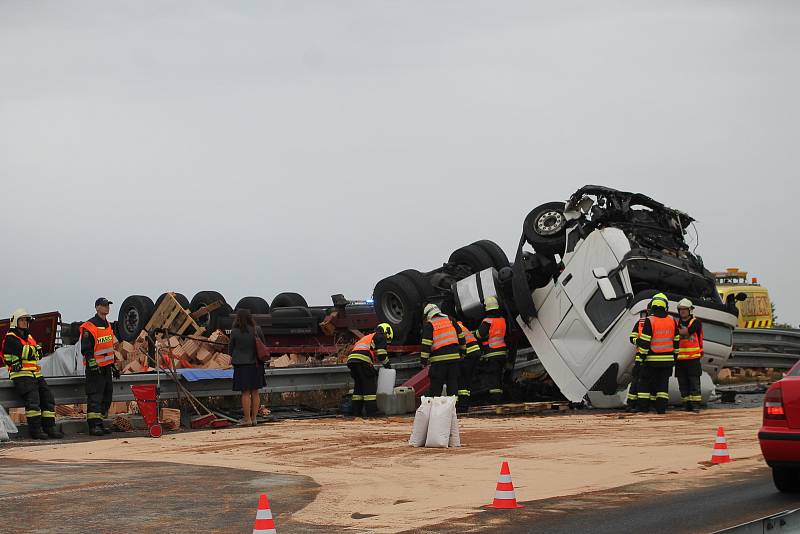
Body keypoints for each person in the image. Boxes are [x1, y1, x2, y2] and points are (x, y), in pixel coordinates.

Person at [2, 309, 63, 439]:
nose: (25, 322)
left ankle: (50, 428)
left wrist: (33, 351)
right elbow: (28, 352)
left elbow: (39, 354)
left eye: (26, 320)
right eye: (22, 320)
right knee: (33, 402)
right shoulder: (10, 338)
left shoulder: (28, 336)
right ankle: (36, 431)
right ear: (15, 322)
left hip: (35, 373)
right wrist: (34, 350)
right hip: (21, 375)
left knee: (48, 399)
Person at [81, 297, 120, 436]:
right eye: (104, 305)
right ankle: (93, 426)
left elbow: (109, 347)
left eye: (108, 305)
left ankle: (100, 423)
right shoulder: (89, 326)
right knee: (95, 397)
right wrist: (92, 363)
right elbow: (86, 348)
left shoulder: (108, 325)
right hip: (95, 369)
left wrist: (114, 365)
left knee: (106, 396)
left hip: (106, 368)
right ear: (97, 307)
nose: (107, 308)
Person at [636, 293, 679, 414]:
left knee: (645, 383)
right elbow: (676, 342)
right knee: (662, 386)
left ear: (652, 305)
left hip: (651, 360)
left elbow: (644, 343)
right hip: (667, 361)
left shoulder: (650, 320)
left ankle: (643, 408)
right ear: (665, 306)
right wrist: (674, 358)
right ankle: (661, 408)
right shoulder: (672, 320)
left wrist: (640, 360)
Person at [228, 308, 266, 426]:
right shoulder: (257, 330)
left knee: (245, 393)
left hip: (241, 366)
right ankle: (254, 419)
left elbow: (230, 349)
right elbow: (263, 344)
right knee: (255, 392)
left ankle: (247, 419)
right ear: (250, 318)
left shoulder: (234, 332)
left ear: (238, 319)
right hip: (256, 365)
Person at [346, 323, 393, 417]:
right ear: (387, 333)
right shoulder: (380, 336)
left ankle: (356, 412)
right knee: (369, 385)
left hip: (352, 361)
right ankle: (372, 411)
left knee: (359, 387)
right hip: (363, 360)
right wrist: (388, 365)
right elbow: (382, 354)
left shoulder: (368, 337)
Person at [420, 304, 463, 398]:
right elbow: (461, 336)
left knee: (436, 388)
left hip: (439, 362)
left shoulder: (430, 324)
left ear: (428, 314)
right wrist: (463, 352)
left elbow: (426, 344)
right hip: (454, 359)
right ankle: (452, 408)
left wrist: (423, 361)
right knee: (453, 385)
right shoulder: (450, 320)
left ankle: (436, 409)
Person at [475, 296, 508, 403]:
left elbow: (480, 334)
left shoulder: (487, 321)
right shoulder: (502, 320)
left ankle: (495, 399)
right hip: (502, 353)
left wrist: (474, 333)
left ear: (486, 308)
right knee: (498, 375)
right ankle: (500, 396)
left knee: (493, 377)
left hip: (492, 353)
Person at [676, 298, 704, 412]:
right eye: (680, 309)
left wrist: (675, 331)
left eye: (684, 309)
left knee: (694, 382)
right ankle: (686, 404)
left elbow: (686, 332)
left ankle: (696, 404)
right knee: (682, 383)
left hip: (693, 358)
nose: (682, 311)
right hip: (680, 359)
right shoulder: (677, 323)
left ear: (690, 310)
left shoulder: (695, 322)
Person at [455, 319, 481, 412]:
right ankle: (465, 404)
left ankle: (462, 406)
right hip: (475, 352)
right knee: (468, 380)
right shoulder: (460, 326)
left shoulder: (452, 328)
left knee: (462, 379)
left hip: (469, 353)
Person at [626, 309, 648, 412]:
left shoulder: (653, 322)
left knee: (644, 381)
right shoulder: (640, 323)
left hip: (650, 357)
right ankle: (631, 403)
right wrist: (638, 341)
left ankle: (641, 404)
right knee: (636, 380)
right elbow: (632, 337)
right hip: (640, 357)